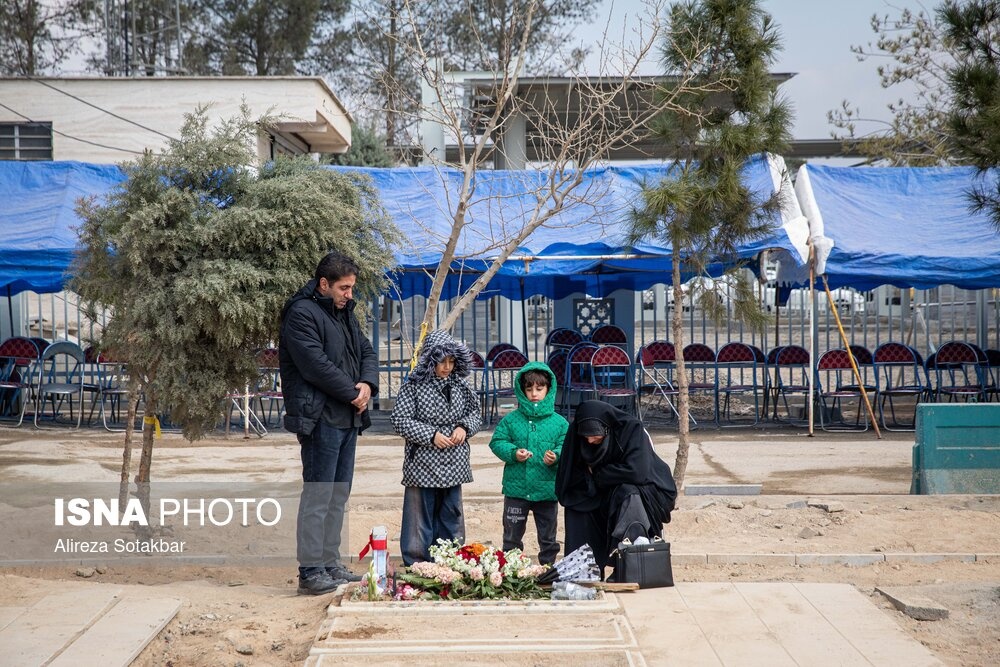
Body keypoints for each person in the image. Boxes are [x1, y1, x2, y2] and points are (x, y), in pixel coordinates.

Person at [279, 251, 377, 595]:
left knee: (338, 495)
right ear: (324, 284)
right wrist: (353, 393)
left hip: (348, 416)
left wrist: (367, 384)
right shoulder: (301, 313)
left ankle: (330, 563)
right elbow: (315, 365)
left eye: (351, 288)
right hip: (320, 418)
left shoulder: (344, 312)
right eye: (343, 288)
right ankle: (310, 571)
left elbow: (366, 351)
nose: (349, 294)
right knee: (319, 496)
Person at [390, 329, 483, 565]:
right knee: (419, 517)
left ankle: (449, 561)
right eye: (442, 361)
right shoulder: (413, 385)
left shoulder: (461, 385)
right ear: (430, 360)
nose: (447, 367)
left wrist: (464, 427)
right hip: (422, 462)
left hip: (454, 460)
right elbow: (400, 420)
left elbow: (475, 413)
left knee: (451, 514)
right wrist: (431, 435)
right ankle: (418, 563)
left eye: (452, 361)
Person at [555, 400, 677, 578]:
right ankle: (585, 572)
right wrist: (595, 479)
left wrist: (599, 474)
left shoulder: (631, 429)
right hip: (598, 487)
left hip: (644, 488)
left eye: (595, 435)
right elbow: (570, 473)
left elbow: (637, 472)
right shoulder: (576, 434)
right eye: (586, 436)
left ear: (607, 428)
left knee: (628, 494)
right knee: (577, 504)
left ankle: (628, 569)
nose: (590, 440)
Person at [488, 361, 567, 565]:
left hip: (547, 490)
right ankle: (512, 569)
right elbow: (497, 441)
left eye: (539, 389)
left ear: (549, 389)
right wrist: (513, 453)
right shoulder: (511, 420)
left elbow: (566, 445)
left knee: (548, 537)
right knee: (512, 536)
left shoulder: (559, 423)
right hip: (517, 490)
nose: (534, 394)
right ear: (522, 391)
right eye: (529, 389)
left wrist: (556, 456)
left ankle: (548, 568)